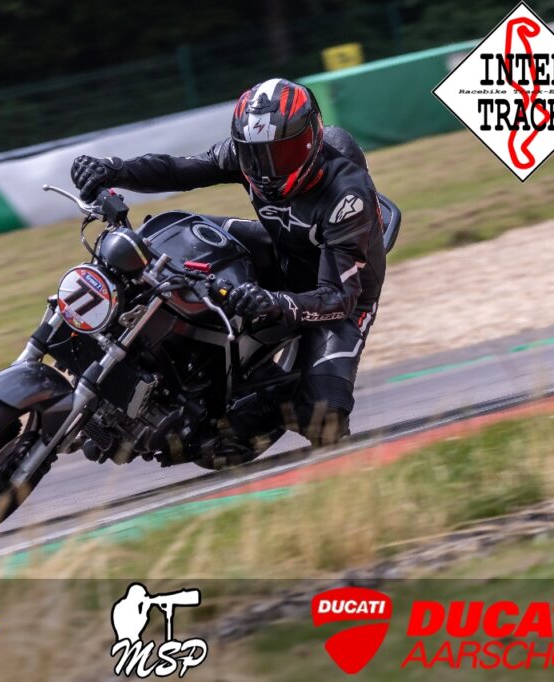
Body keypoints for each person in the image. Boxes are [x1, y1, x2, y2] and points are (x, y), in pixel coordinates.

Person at [70, 78, 386, 446]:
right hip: (280, 247)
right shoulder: (244, 155)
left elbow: (338, 298)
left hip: (341, 293)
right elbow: (179, 169)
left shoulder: (347, 195)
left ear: (311, 140)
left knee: (325, 419)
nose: (266, 168)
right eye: (255, 155)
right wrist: (114, 170)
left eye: (281, 155)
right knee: (159, 240)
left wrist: (275, 302)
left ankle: (246, 404)